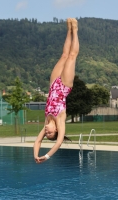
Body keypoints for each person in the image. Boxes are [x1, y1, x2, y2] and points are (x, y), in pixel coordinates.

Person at [34, 18, 79, 163]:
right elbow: (58, 143)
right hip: (65, 86)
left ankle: (68, 30)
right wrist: (46, 156)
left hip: (53, 84)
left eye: (46, 133)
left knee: (64, 56)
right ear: (56, 130)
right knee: (71, 56)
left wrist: (36, 155)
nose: (46, 131)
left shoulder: (46, 121)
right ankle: (75, 30)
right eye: (49, 133)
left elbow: (37, 141)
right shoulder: (60, 122)